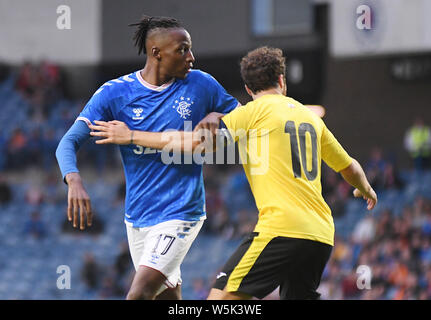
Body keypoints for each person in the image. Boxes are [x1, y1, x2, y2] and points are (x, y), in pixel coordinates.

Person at [90, 46, 378, 300]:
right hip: (321, 235)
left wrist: (131, 136)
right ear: (282, 80)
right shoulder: (310, 118)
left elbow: (192, 143)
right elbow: (350, 167)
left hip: (282, 229)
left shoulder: (253, 112)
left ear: (249, 89)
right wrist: (365, 188)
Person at [55, 15, 239, 300]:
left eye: (189, 48)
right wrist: (74, 179)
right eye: (182, 49)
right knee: (165, 298)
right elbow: (68, 142)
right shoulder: (115, 93)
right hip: (138, 218)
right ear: (156, 53)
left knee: (138, 294)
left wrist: (218, 114)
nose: (191, 56)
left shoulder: (202, 85)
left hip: (181, 211)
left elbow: (244, 117)